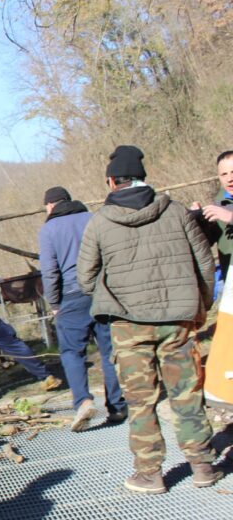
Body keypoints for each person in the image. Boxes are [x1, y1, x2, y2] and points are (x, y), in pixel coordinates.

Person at [77, 144, 222, 494]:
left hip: (128, 325)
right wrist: (199, 307)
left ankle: (150, 473)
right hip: (178, 319)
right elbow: (204, 262)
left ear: (112, 181)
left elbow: (85, 278)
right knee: (186, 393)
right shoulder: (175, 212)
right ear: (143, 178)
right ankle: (202, 465)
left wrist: (113, 294)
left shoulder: (99, 223)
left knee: (141, 400)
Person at [38, 185, 127, 431]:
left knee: (72, 353)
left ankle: (83, 401)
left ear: (50, 205)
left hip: (70, 296)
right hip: (102, 292)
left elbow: (49, 271)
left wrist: (54, 303)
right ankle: (117, 407)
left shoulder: (48, 230)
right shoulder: (93, 218)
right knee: (109, 352)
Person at [191, 150, 233, 281]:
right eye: (224, 174)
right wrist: (199, 222)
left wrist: (231, 217)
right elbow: (208, 242)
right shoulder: (220, 202)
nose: (229, 178)